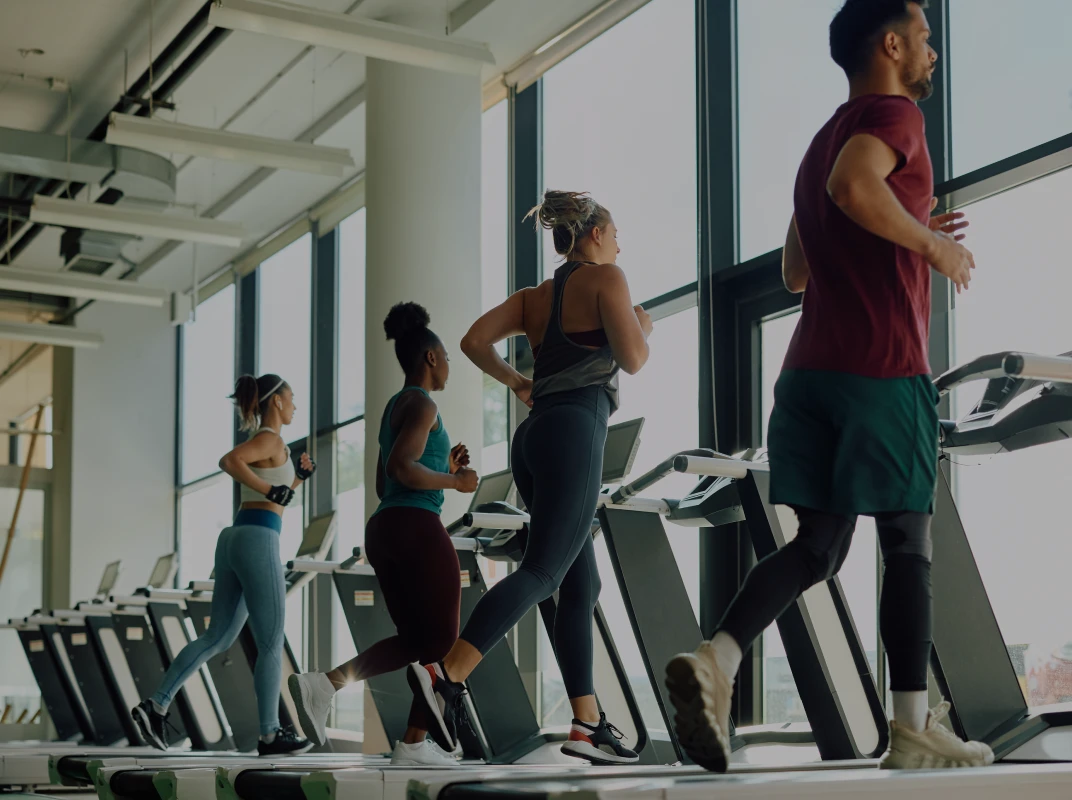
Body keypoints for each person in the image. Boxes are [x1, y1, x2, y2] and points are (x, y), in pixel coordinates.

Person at [666, 0, 993, 773]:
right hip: (879, 368)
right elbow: (856, 191)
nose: (932, 51)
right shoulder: (894, 116)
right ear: (890, 44)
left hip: (809, 374)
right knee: (908, 539)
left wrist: (908, 228)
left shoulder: (823, 141)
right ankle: (912, 728)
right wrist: (929, 249)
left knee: (818, 547)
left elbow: (795, 268)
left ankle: (718, 655)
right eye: (924, 36)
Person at [401, 190, 651, 766]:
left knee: (578, 584)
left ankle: (587, 723)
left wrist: (518, 381)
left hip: (534, 436)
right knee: (543, 569)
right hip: (578, 428)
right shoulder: (607, 278)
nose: (618, 244)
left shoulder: (532, 298)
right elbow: (633, 359)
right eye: (614, 234)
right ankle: (447, 676)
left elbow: (470, 341)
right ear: (592, 235)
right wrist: (641, 323)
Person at [288, 302, 478, 767]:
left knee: (416, 641)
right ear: (430, 358)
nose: (449, 364)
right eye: (447, 356)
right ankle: (414, 743)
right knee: (445, 645)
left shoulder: (396, 407)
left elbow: (383, 482)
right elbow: (399, 469)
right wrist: (456, 482)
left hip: (386, 529)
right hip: (416, 529)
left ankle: (326, 686)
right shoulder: (424, 403)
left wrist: (441, 467)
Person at [132, 374, 314, 756]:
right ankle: (270, 735)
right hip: (259, 540)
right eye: (291, 398)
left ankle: (155, 705)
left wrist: (295, 480)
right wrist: (271, 488)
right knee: (270, 641)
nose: (296, 404)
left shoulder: (274, 447)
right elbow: (229, 461)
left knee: (217, 636)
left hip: (236, 537)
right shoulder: (270, 439)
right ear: (277, 402)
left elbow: (273, 498)